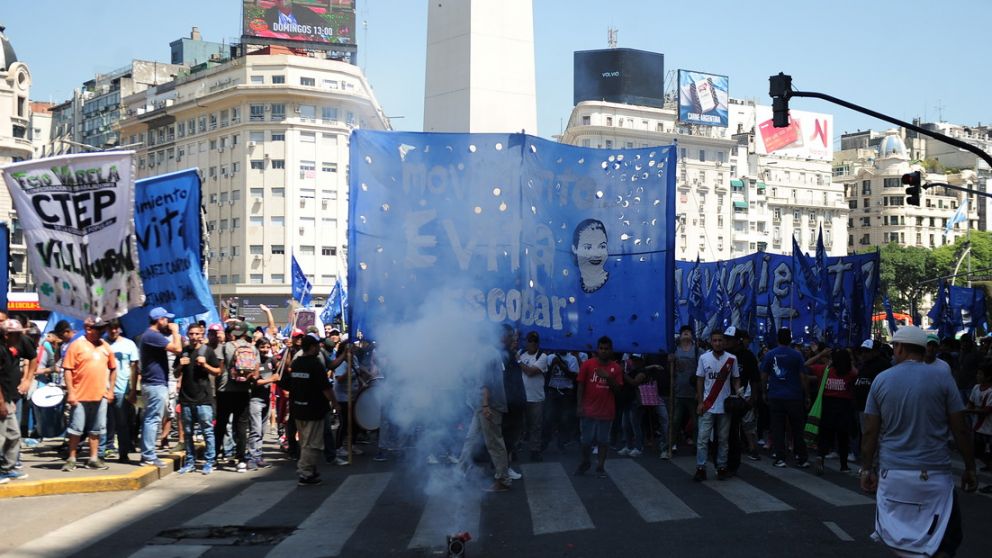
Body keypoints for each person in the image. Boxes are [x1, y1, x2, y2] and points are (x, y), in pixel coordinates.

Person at [861, 325, 977, 558]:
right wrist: (970, 467)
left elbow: (870, 432)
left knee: (899, 538)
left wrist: (866, 468)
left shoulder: (882, 380)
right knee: (946, 539)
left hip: (893, 475)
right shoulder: (943, 379)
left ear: (901, 347)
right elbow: (961, 428)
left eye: (895, 346)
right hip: (934, 476)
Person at [457, 326, 513, 492]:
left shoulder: (487, 354)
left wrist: (486, 405)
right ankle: (459, 474)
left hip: (489, 405)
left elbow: (486, 383)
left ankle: (503, 480)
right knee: (471, 440)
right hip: (481, 405)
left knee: (494, 443)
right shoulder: (483, 353)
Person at [61, 318, 116, 472]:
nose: (102, 332)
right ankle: (71, 458)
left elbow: (113, 368)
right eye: (98, 329)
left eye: (102, 329)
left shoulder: (105, 346)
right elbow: (68, 369)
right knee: (76, 429)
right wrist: (71, 392)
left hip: (100, 396)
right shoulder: (77, 345)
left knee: (96, 429)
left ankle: (93, 458)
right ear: (88, 328)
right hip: (79, 396)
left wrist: (110, 391)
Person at [285, 334, 339, 486]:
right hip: (313, 410)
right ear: (312, 347)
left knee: (305, 442)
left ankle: (311, 470)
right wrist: (335, 403)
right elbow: (326, 388)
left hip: (298, 408)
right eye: (317, 346)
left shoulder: (296, 363)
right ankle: (305, 473)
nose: (319, 349)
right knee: (312, 443)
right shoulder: (315, 365)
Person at [136, 307, 183, 468]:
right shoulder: (152, 336)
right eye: (166, 319)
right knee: (152, 419)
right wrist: (176, 332)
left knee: (152, 418)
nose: (168, 323)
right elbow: (177, 349)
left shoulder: (152, 336)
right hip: (154, 384)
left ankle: (147, 454)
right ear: (159, 320)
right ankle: (148, 455)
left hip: (156, 383)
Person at [693, 329, 741, 481]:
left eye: (720, 340)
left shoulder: (732, 359)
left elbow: (736, 378)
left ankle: (721, 467)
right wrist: (700, 402)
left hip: (725, 406)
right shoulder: (704, 358)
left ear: (724, 342)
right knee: (702, 438)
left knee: (723, 439)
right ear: (711, 341)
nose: (718, 343)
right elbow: (700, 380)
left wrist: (737, 393)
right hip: (707, 405)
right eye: (715, 340)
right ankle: (701, 467)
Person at [760, 328, 811, 468]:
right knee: (797, 428)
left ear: (778, 339)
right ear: (790, 339)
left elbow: (764, 376)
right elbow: (803, 377)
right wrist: (807, 395)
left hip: (776, 396)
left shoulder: (770, 355)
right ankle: (802, 457)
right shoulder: (797, 355)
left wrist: (764, 392)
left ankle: (780, 457)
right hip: (794, 397)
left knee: (777, 428)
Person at [174, 324, 220, 475]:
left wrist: (205, 364)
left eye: (196, 334)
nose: (194, 337)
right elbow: (175, 374)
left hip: (203, 398)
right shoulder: (184, 352)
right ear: (187, 334)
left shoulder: (207, 351)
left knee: (207, 431)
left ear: (202, 335)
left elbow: (218, 371)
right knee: (188, 432)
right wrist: (180, 367)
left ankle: (209, 461)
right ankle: (190, 462)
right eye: (191, 334)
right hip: (186, 398)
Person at [575, 336, 624, 478]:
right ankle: (585, 461)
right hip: (588, 410)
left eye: (606, 349)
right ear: (597, 349)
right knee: (585, 441)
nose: (603, 351)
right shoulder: (587, 364)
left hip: (606, 410)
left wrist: (608, 377)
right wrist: (579, 405)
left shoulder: (616, 368)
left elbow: (618, 391)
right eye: (601, 348)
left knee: (603, 440)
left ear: (611, 350)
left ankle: (600, 466)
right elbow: (580, 385)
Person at [217, 321, 260, 472]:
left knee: (221, 423)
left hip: (225, 389)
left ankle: (215, 456)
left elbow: (220, 368)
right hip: (244, 391)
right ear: (245, 333)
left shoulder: (226, 347)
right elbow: (256, 373)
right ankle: (241, 459)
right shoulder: (253, 348)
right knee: (241, 427)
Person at [811, 349, 858, 475]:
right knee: (843, 437)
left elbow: (806, 365)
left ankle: (820, 456)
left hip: (827, 406)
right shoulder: (849, 373)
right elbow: (857, 374)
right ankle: (844, 465)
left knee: (825, 435)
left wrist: (820, 354)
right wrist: (850, 361)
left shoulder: (825, 370)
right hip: (844, 407)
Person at [0, 319, 35, 482]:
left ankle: (8, 468)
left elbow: (32, 357)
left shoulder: (14, 346)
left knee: (13, 434)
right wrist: (1, 402)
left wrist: (27, 379)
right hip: (2, 399)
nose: (19, 337)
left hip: (9, 397)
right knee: (1, 436)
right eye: (16, 334)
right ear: (7, 335)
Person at [104, 320, 139, 463]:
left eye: (116, 328)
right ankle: (102, 450)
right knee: (102, 423)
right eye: (110, 328)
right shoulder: (101, 343)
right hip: (102, 388)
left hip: (122, 388)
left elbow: (134, 367)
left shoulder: (129, 344)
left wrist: (133, 390)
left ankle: (123, 452)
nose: (113, 331)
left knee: (122, 422)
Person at [517, 331, 548, 462]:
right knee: (519, 425)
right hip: (522, 396)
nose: (532, 343)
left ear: (538, 342)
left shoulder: (542, 356)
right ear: (526, 341)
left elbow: (530, 372)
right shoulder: (522, 354)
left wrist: (518, 360)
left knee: (536, 426)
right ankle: (515, 450)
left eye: (535, 340)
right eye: (530, 340)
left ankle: (535, 451)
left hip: (536, 398)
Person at [249, 338, 279, 469]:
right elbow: (255, 382)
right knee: (255, 430)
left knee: (262, 430)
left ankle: (259, 456)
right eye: (262, 347)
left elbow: (279, 368)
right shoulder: (253, 361)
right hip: (255, 399)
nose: (265, 350)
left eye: (267, 347)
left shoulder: (270, 361)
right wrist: (271, 379)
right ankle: (252, 458)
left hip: (266, 398)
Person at [542, 351, 580, 452]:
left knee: (565, 418)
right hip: (552, 390)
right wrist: (552, 365)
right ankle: (545, 442)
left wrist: (560, 364)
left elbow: (574, 376)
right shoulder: (550, 357)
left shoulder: (572, 359)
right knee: (548, 417)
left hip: (566, 392)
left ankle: (561, 442)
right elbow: (546, 376)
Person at [964, 360, 992, 491]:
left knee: (986, 453)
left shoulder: (990, 391)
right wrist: (968, 408)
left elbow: (987, 410)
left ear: (988, 377)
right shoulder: (976, 388)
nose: (978, 376)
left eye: (981, 374)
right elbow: (970, 402)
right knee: (978, 452)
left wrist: (969, 410)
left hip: (989, 429)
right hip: (978, 427)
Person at [571, 219, 609, 293]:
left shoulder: (622, 283)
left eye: (602, 246)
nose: (596, 254)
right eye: (588, 247)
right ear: (575, 249)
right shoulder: (569, 286)